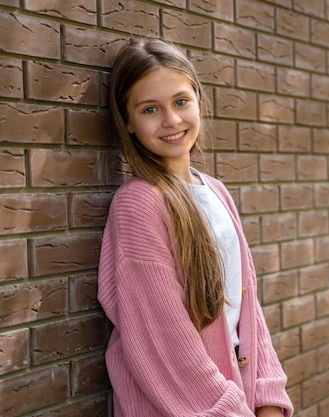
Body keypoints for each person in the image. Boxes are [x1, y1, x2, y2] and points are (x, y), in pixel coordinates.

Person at [97, 38, 293, 417]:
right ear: (129, 123)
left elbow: (247, 310)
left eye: (181, 101)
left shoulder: (216, 192)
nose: (171, 120)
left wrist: (267, 398)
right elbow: (163, 341)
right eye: (150, 109)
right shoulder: (139, 204)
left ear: (198, 100)